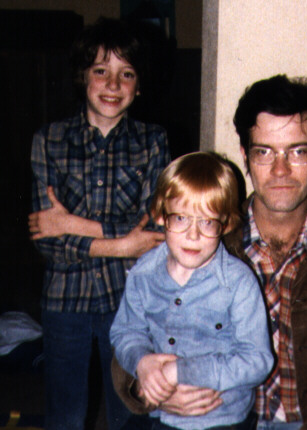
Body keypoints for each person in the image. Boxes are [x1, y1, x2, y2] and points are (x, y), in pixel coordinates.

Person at [111, 75, 307, 430]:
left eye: (298, 151)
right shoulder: (195, 243)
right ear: (245, 156)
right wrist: (150, 389)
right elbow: (130, 339)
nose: (281, 170)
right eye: (264, 152)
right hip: (207, 421)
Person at [28, 17, 170, 430]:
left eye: (126, 74)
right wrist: (124, 245)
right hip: (64, 301)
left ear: (139, 86)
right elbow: (46, 239)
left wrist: (71, 223)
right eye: (100, 71)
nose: (112, 84)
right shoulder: (48, 140)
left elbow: (153, 230)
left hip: (131, 300)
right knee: (66, 416)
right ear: (82, 77)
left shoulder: (153, 141)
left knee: (130, 413)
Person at [110, 152, 274, 430]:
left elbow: (257, 360)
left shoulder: (239, 283)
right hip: (158, 415)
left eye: (207, 222)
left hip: (222, 419)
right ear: (160, 216)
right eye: (180, 218)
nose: (193, 235)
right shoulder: (143, 273)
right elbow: (125, 332)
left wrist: (180, 371)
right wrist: (142, 363)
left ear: (226, 223)